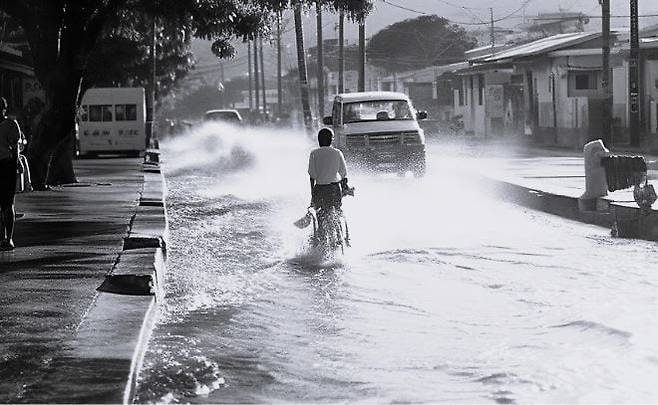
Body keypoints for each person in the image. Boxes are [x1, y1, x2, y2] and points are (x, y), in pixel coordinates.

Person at [308, 127, 351, 213]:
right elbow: (343, 173)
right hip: (334, 189)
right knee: (337, 210)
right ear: (331, 140)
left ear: (319, 140)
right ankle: (338, 222)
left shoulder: (314, 153)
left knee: (319, 211)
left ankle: (320, 225)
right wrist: (345, 186)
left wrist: (313, 195)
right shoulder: (337, 152)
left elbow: (312, 175)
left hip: (319, 189)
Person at [0, 97, 22, 250]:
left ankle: (4, 238)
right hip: (6, 165)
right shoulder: (10, 125)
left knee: (6, 204)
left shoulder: (9, 125)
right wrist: (18, 165)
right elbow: (15, 149)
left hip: (6, 165)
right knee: (8, 203)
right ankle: (8, 239)